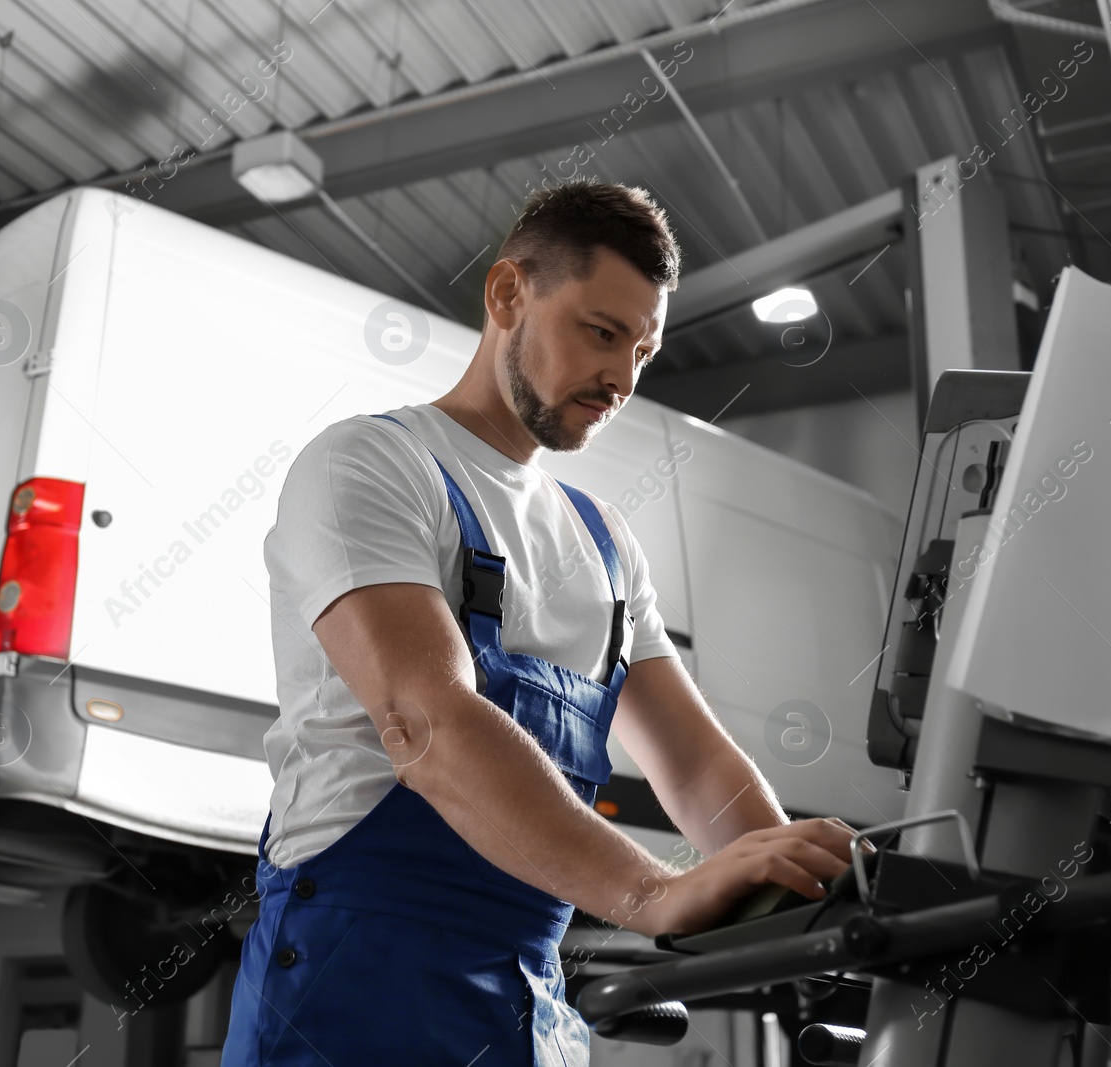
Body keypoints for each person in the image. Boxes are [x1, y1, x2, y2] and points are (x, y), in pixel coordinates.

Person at [221, 179, 863, 1066]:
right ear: (508, 295)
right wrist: (650, 892)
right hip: (351, 986)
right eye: (601, 333)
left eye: (644, 350)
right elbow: (427, 726)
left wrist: (808, 890)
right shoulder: (371, 465)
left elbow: (695, 760)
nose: (622, 379)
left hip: (527, 1004)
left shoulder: (604, 542)